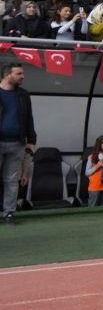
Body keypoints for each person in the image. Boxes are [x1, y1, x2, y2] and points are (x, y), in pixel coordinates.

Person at [0, 64, 35, 225]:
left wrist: (31, 140)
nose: (23, 76)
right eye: (19, 73)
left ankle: (9, 214)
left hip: (17, 143)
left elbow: (29, 118)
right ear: (7, 75)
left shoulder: (23, 95)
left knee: (11, 180)